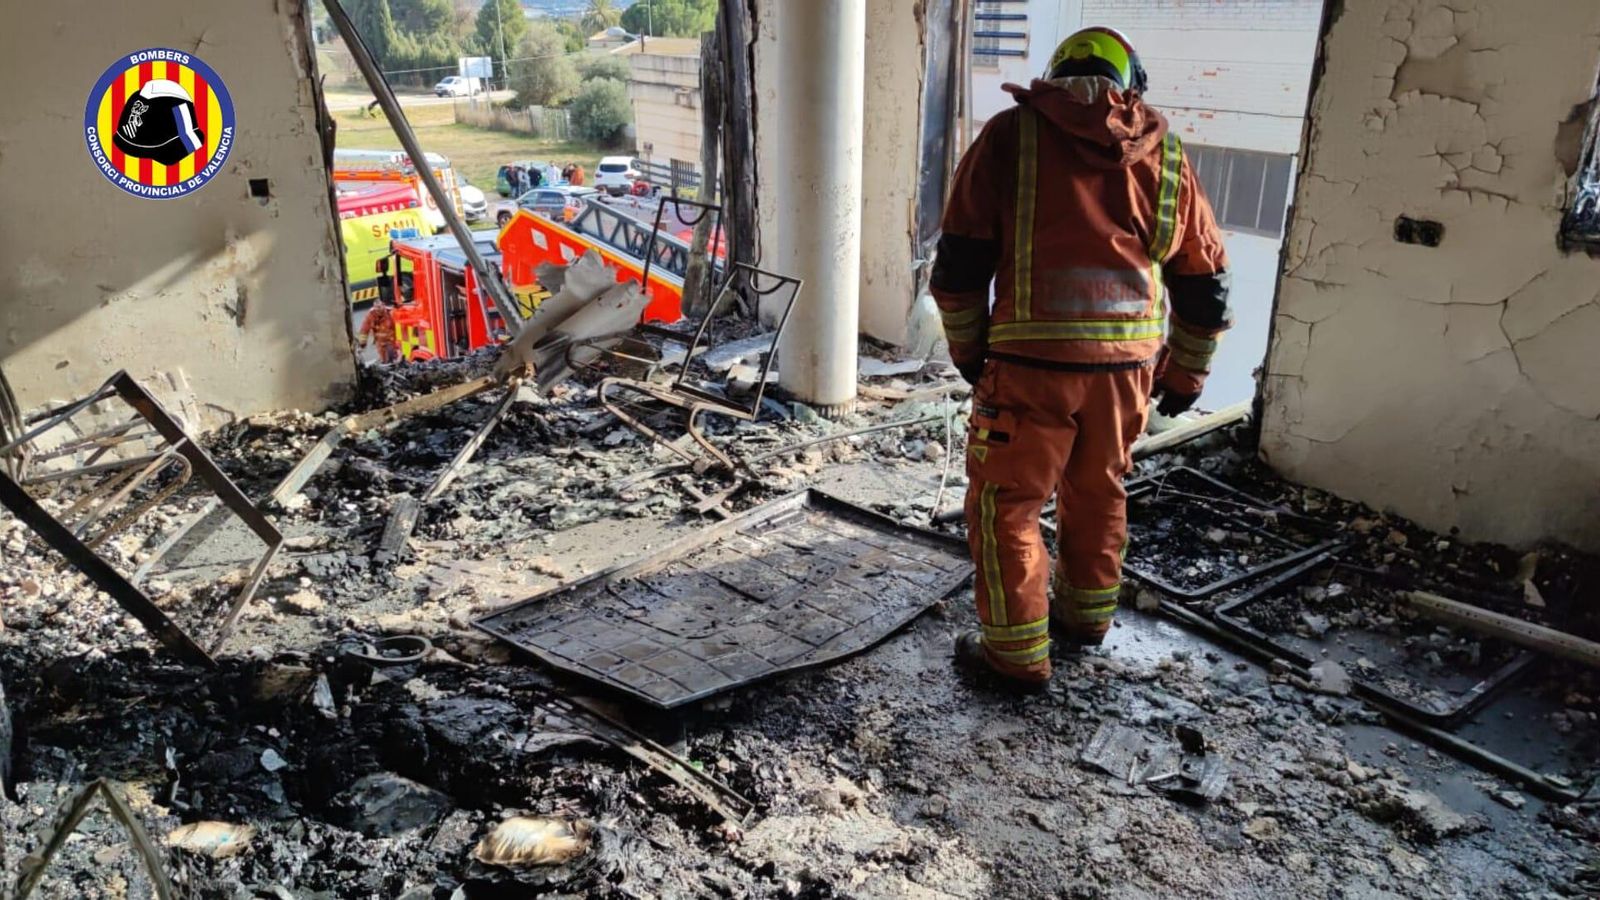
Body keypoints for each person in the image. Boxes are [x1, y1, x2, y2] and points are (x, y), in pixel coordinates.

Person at [931, 26, 1232, 691]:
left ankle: (1015, 657)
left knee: (1007, 508)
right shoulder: (1167, 154)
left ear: (1055, 76)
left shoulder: (1011, 136)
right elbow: (1204, 283)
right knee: (1099, 492)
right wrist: (1186, 375)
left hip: (1029, 370)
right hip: (1126, 376)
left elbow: (959, 264)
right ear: (1131, 85)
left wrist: (970, 352)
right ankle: (1086, 620)